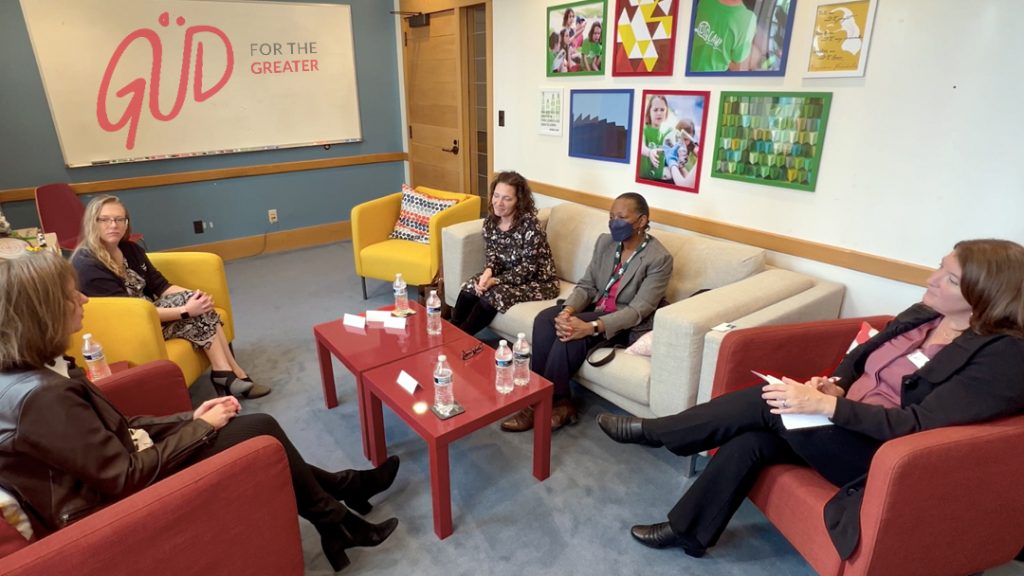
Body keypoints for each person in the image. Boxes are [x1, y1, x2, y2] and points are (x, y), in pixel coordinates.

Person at [596, 239, 1024, 559]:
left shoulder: (1001, 356)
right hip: (841, 424)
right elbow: (860, 357)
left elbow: (919, 425)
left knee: (773, 403)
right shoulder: (926, 313)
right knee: (751, 441)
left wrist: (825, 406)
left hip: (882, 455)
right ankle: (687, 531)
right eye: (939, 267)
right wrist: (834, 383)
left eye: (949, 278)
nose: (931, 279)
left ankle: (657, 431)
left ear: (985, 295)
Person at [0, 250, 402, 572]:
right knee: (257, 428)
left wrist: (188, 419)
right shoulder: (41, 398)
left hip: (118, 468)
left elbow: (114, 429)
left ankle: (340, 503)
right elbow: (120, 478)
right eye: (73, 295)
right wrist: (201, 428)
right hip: (105, 508)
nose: (85, 299)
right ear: (44, 312)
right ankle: (338, 509)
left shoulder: (38, 369)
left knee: (255, 427)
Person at [501, 193, 673, 433]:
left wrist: (591, 327)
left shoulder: (659, 258)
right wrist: (568, 310)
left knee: (569, 337)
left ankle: (537, 404)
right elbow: (587, 285)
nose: (614, 222)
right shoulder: (605, 242)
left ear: (642, 221)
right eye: (611, 216)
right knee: (544, 320)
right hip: (594, 307)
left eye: (621, 217)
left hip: (621, 321)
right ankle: (559, 401)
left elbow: (638, 309)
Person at [71, 195, 269, 399]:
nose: (114, 225)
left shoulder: (130, 249)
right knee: (194, 310)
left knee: (197, 304)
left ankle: (227, 371)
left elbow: (160, 285)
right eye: (105, 219)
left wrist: (195, 296)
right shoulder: (87, 264)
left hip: (149, 311)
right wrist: (185, 311)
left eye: (120, 219)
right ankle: (232, 373)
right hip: (131, 325)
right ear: (92, 222)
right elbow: (129, 314)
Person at [451, 171, 559, 337]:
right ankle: (451, 332)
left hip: (539, 282)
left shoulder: (531, 227)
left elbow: (527, 270)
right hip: (507, 275)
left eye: (507, 198)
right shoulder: (491, 222)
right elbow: (493, 257)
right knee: (470, 286)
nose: (498, 203)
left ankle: (460, 338)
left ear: (518, 201)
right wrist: (487, 273)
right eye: (496, 195)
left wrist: (494, 281)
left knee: (495, 294)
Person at [688, 0, 756, 72]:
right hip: (709, 78)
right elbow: (737, 59)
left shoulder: (748, 20)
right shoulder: (748, 20)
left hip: (686, 69)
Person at [638, 95, 674, 182]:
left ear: (666, 112)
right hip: (642, 179)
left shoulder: (668, 132)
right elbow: (640, 146)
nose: (659, 113)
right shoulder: (643, 129)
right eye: (655, 110)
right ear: (649, 111)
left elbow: (672, 148)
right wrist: (650, 152)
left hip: (658, 180)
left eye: (662, 110)